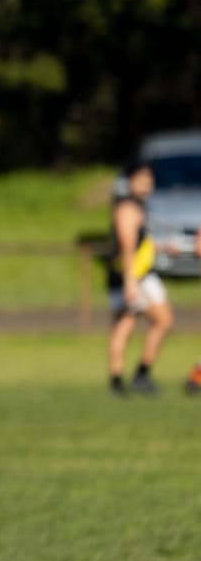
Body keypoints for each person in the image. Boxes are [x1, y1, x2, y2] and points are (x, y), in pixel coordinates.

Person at [106, 159, 172, 396]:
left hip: (134, 275)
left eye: (150, 179)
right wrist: (130, 283)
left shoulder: (136, 207)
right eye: (142, 178)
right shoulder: (128, 209)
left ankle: (121, 380)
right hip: (135, 277)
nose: (147, 183)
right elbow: (128, 247)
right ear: (130, 181)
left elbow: (142, 244)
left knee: (128, 324)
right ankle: (134, 376)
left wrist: (163, 247)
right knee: (148, 322)